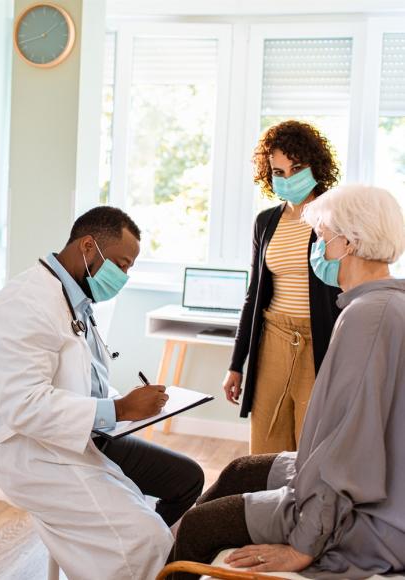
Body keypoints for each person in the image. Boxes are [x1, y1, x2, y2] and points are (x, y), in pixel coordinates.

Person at [169, 184, 405, 580]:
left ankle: (164, 562)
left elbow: (345, 453)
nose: (318, 249)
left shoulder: (368, 317)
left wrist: (302, 544)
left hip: (370, 516)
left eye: (323, 238)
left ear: (349, 242)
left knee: (199, 528)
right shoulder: (387, 302)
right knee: (240, 470)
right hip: (372, 483)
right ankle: (161, 552)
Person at [0, 206, 204, 580]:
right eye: (121, 264)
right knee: (144, 537)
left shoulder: (75, 297)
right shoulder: (23, 305)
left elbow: (83, 379)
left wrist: (123, 403)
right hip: (33, 452)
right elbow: (23, 406)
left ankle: (142, 556)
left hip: (84, 437)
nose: (124, 277)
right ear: (88, 246)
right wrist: (120, 408)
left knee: (184, 481)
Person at [222, 120, 342, 453]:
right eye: (279, 171)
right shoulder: (266, 222)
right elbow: (253, 296)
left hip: (319, 340)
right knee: (266, 441)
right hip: (272, 338)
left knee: (312, 441)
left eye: (297, 168)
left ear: (315, 166)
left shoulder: (336, 216)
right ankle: (266, 505)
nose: (288, 178)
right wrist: (236, 364)